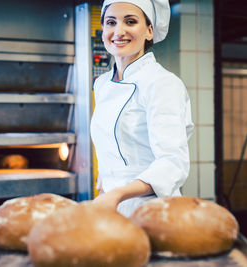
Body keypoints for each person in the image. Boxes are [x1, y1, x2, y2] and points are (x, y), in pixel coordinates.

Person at [91, 0, 194, 217]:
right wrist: (106, 180)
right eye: (111, 22)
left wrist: (118, 194)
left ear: (149, 31)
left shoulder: (163, 83)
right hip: (110, 206)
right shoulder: (102, 84)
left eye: (130, 21)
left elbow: (172, 162)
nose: (118, 31)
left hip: (153, 210)